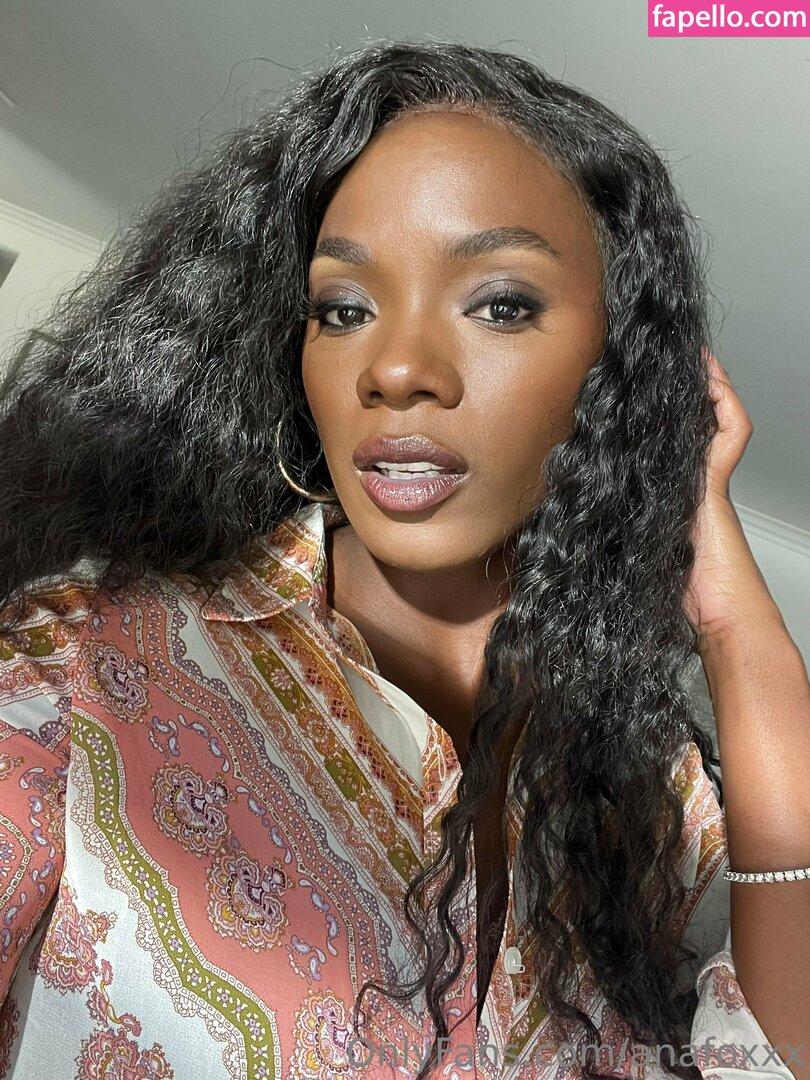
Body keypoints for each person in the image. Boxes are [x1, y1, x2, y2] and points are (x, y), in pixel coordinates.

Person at [0, 38, 807, 1080]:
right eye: (344, 310)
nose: (395, 368)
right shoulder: (77, 661)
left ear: (618, 373)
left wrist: (742, 635)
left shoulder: (657, 804)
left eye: (500, 303)